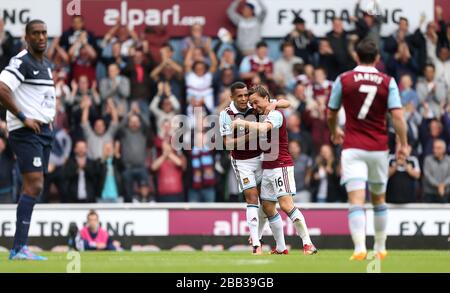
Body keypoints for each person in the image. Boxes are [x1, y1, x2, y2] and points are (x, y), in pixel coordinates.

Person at [327, 38, 408, 260]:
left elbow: (331, 112)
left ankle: (359, 248)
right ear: (378, 58)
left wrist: (335, 131)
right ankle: (380, 248)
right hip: (378, 148)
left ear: (356, 56)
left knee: (356, 199)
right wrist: (404, 143)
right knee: (378, 199)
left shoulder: (344, 79)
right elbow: (398, 116)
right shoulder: (387, 81)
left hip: (353, 147)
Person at [232, 85, 318, 255]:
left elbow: (266, 127)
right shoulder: (263, 110)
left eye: (256, 103)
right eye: (252, 103)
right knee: (268, 207)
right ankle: (280, 247)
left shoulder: (276, 114)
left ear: (266, 99)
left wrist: (243, 123)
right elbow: (283, 102)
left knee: (286, 205)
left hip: (281, 166)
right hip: (268, 167)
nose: (254, 107)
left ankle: (308, 243)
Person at [0, 20, 55, 260]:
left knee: (35, 186)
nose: (41, 37)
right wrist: (23, 117)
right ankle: (18, 248)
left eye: (44, 33)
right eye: (36, 33)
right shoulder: (21, 61)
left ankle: (20, 247)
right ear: (27, 37)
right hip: (26, 131)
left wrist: (47, 118)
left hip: (43, 132)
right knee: (34, 185)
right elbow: (2, 88)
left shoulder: (46, 64)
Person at [219, 82, 292, 254]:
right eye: (240, 96)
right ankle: (256, 245)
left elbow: (287, 103)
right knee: (251, 197)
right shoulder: (226, 114)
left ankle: (279, 245)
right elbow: (228, 144)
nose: (244, 99)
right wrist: (251, 133)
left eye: (246, 95)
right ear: (232, 98)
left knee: (267, 204)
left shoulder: (255, 104)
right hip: (242, 162)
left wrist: (274, 104)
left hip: (261, 159)